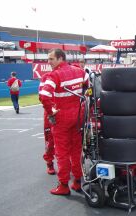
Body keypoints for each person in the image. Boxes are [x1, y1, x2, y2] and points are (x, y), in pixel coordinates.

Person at [39, 49, 88, 195]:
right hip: (78, 116)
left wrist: (50, 112)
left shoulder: (54, 75)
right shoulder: (80, 71)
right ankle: (78, 182)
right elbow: (89, 85)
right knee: (76, 150)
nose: (49, 62)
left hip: (62, 118)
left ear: (61, 58)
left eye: (51, 59)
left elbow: (43, 96)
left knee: (62, 153)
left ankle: (63, 185)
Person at [38, 73, 56, 175]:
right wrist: (52, 109)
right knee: (49, 139)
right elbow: (41, 96)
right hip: (49, 112)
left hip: (63, 112)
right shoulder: (45, 77)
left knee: (67, 140)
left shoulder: (67, 73)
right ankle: (49, 163)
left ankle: (69, 163)